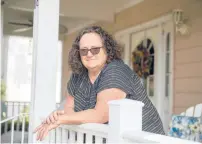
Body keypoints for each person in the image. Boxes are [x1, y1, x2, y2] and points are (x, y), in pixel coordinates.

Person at [34, 26, 165, 141]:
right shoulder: (78, 75)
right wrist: (61, 116)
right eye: (83, 50)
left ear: (107, 50)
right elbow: (69, 107)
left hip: (142, 139)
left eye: (95, 49)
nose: (89, 54)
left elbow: (101, 114)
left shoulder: (116, 71)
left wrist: (61, 119)